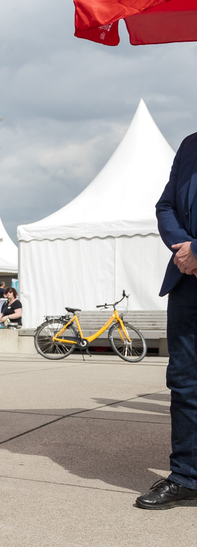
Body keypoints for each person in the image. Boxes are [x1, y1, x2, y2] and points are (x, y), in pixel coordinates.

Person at [136, 132, 197, 509]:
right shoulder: (190, 145)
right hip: (187, 281)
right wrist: (184, 249)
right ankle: (187, 475)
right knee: (185, 381)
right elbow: (165, 206)